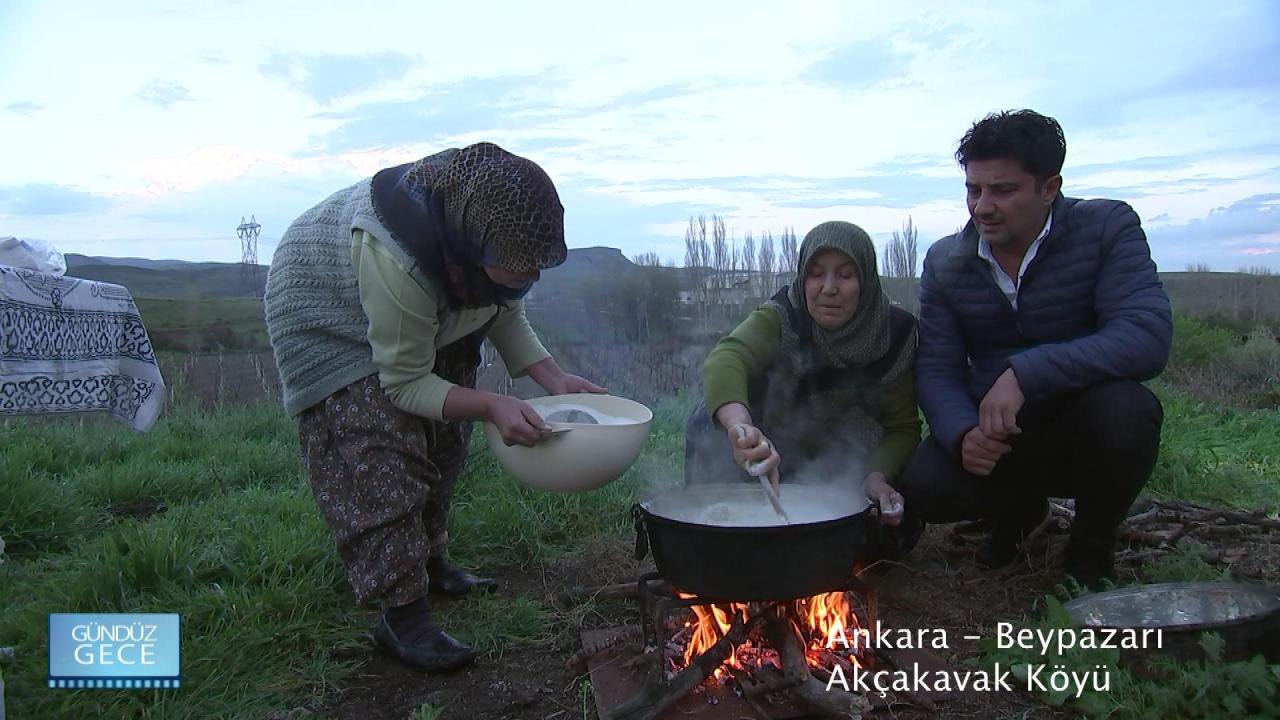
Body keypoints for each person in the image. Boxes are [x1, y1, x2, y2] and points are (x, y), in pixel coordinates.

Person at [264, 142, 605, 672]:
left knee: (445, 439)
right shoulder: (397, 254)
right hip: (324, 311)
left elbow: (503, 307)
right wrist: (493, 404)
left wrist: (552, 376)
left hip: (413, 307)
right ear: (471, 249)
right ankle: (402, 615)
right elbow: (403, 386)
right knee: (381, 445)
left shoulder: (487, 225)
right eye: (515, 271)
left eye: (533, 272)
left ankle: (430, 559)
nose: (525, 282)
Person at [898, 110, 1171, 588]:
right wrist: (963, 434)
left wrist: (1026, 373)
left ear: (1049, 188)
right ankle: (1020, 512)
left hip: (1080, 427)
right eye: (973, 189)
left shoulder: (1106, 228)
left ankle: (1090, 550)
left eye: (1003, 190)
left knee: (1127, 412)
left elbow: (1145, 334)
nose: (982, 207)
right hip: (999, 434)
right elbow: (937, 367)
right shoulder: (946, 261)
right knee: (925, 484)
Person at [685, 221, 920, 538]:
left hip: (850, 462)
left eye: (845, 275)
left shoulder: (896, 333)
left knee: (884, 539)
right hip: (778, 454)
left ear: (865, 279)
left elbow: (902, 428)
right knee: (705, 417)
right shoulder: (785, 314)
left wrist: (876, 475)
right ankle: (707, 531)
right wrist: (742, 429)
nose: (828, 288)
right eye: (816, 273)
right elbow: (727, 357)